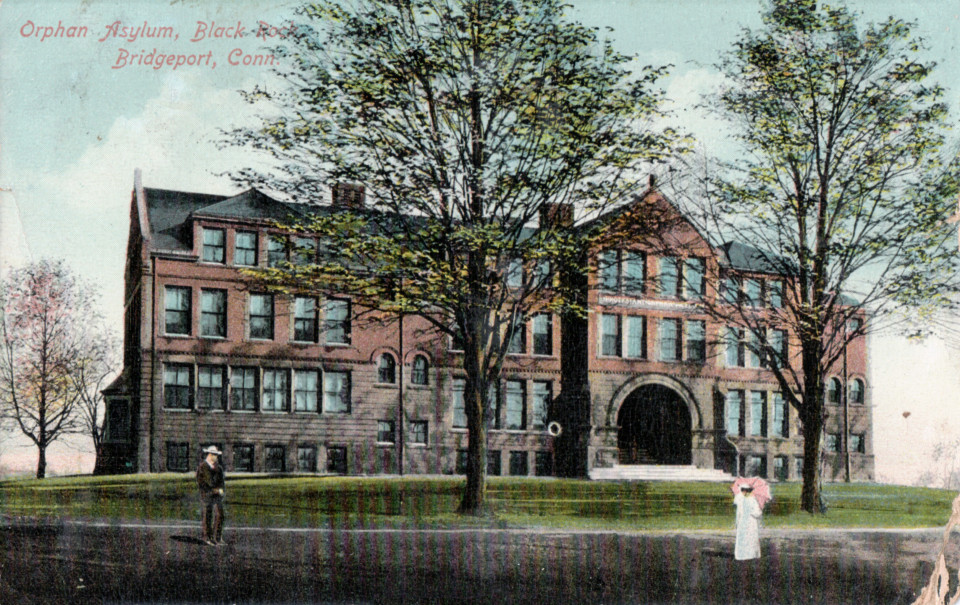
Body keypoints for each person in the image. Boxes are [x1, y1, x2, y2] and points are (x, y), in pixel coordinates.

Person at [196, 445, 225, 546]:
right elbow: (208, 482)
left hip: (216, 495)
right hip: (207, 494)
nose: (216, 457)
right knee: (207, 516)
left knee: (220, 514)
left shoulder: (218, 468)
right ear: (210, 455)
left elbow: (222, 482)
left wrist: (220, 490)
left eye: (216, 455)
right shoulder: (203, 467)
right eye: (214, 455)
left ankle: (217, 537)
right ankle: (207, 537)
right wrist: (217, 489)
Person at [733, 484, 762, 560]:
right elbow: (757, 512)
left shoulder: (740, 499)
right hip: (750, 522)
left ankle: (741, 554)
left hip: (743, 521)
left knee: (743, 538)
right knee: (750, 537)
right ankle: (751, 554)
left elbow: (738, 513)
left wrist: (737, 523)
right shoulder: (752, 500)